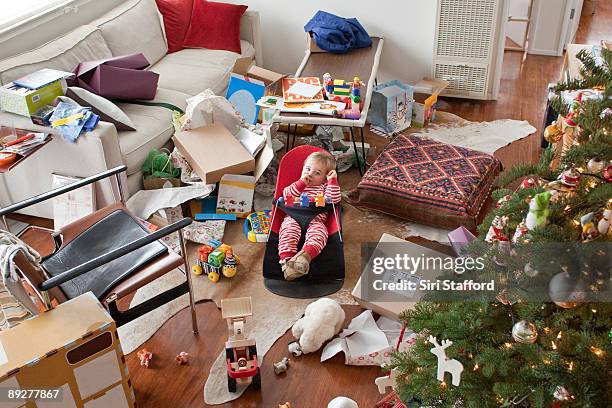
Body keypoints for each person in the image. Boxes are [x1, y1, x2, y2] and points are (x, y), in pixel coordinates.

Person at [279, 152, 341, 280]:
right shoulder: (298, 185)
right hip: (294, 216)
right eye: (307, 169)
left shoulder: (324, 188)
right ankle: (287, 262)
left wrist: (332, 181)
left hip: (315, 220)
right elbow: (286, 195)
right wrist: (301, 183)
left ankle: (304, 257)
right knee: (287, 231)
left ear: (325, 177)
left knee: (320, 234)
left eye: (317, 173)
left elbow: (333, 199)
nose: (310, 174)